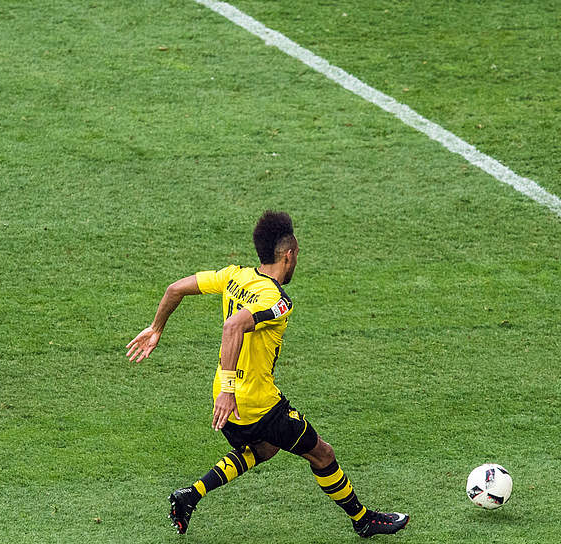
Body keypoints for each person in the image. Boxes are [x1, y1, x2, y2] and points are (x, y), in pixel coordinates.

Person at [127, 211, 409, 538]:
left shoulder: (234, 275)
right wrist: (230, 390)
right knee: (322, 453)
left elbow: (175, 288)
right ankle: (363, 520)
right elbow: (233, 325)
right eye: (297, 255)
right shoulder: (278, 300)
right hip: (254, 403)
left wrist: (156, 328)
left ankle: (190, 496)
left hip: (226, 401)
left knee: (264, 449)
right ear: (288, 256)